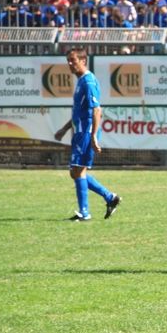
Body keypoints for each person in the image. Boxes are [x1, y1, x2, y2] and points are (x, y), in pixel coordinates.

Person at [54, 48, 121, 222]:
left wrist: (93, 136)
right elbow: (80, 112)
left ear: (83, 61)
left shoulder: (89, 82)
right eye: (68, 60)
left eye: (73, 60)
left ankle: (84, 213)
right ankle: (110, 197)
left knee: (79, 170)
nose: (69, 63)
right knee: (75, 172)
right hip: (79, 131)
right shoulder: (81, 81)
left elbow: (97, 110)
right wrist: (64, 128)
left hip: (85, 132)